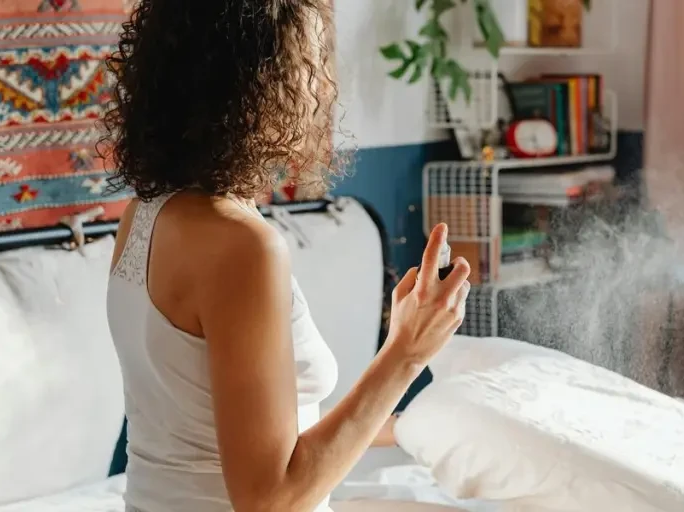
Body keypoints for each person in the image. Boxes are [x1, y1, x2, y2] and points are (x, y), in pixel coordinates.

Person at [102, 2, 472, 511]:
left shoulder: (143, 215)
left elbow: (216, 434)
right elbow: (269, 499)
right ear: (250, 81)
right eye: (308, 65)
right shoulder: (241, 247)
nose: (323, 88)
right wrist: (405, 353)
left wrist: (407, 427)